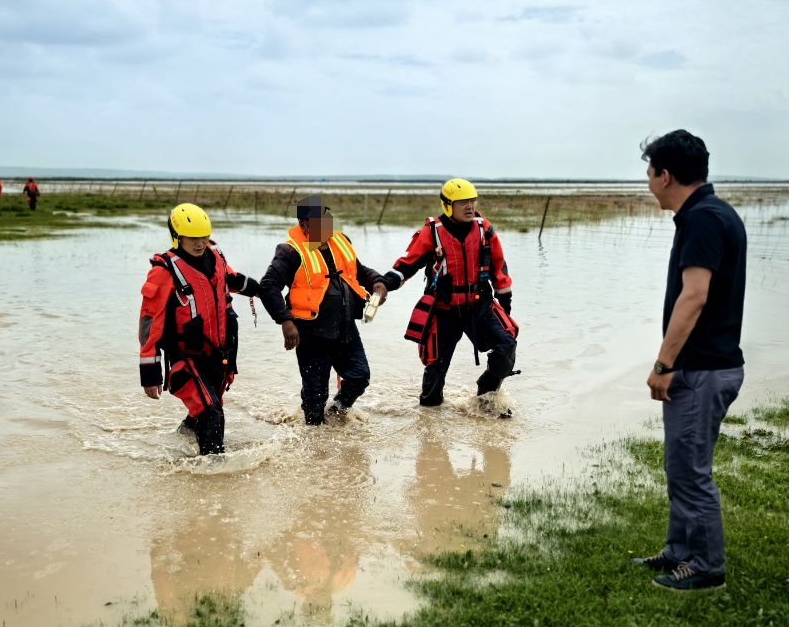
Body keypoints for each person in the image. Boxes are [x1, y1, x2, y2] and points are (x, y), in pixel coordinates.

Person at [632, 130, 746, 592]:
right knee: (680, 463)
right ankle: (679, 551)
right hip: (703, 366)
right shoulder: (707, 213)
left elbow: (694, 297)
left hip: (701, 367)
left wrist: (663, 365)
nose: (647, 182)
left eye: (649, 173)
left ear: (666, 175)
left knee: (691, 470)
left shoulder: (703, 219)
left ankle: (705, 568)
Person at [381, 178, 518, 408]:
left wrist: (505, 303)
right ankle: (428, 419)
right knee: (435, 370)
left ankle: (486, 394)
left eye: (472, 201)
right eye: (462, 202)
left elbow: (499, 266)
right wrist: (385, 283)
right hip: (444, 309)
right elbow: (407, 264)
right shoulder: (432, 232)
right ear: (448, 205)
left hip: (478, 305)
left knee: (507, 346)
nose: (469, 206)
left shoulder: (484, 228)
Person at [138, 203, 259, 455]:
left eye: (204, 236)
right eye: (192, 238)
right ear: (177, 236)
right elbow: (150, 322)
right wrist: (150, 372)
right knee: (211, 412)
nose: (199, 242)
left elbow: (230, 279)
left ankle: (179, 442)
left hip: (219, 355)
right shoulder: (164, 272)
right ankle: (214, 474)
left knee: (209, 410)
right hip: (187, 358)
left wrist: (262, 289)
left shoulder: (215, 257)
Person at [258, 195, 387, 425]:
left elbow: (358, 269)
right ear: (304, 225)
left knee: (360, 377)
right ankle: (315, 441)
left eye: (327, 217)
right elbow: (268, 285)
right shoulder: (290, 251)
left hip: (346, 331)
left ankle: (337, 411)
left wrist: (376, 281)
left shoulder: (341, 241)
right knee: (315, 398)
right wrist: (285, 321)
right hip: (311, 336)